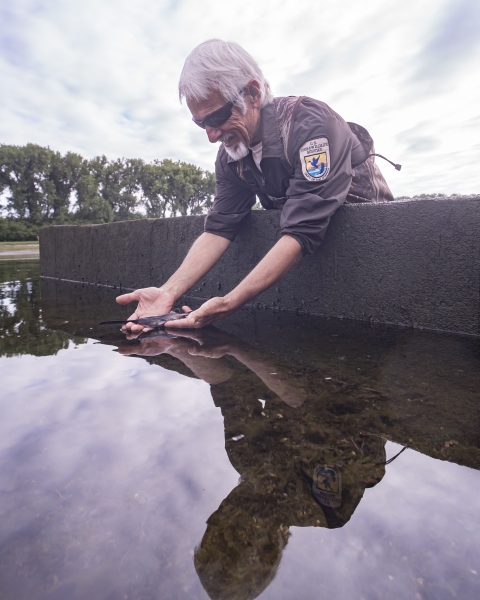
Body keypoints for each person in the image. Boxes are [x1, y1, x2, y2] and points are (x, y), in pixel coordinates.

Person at [117, 39, 396, 332]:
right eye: (201, 124)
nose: (211, 136)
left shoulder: (312, 125)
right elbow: (220, 227)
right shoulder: (230, 157)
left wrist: (229, 302)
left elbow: (302, 229)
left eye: (217, 117)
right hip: (309, 257)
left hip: (373, 257)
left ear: (253, 93)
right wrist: (168, 292)